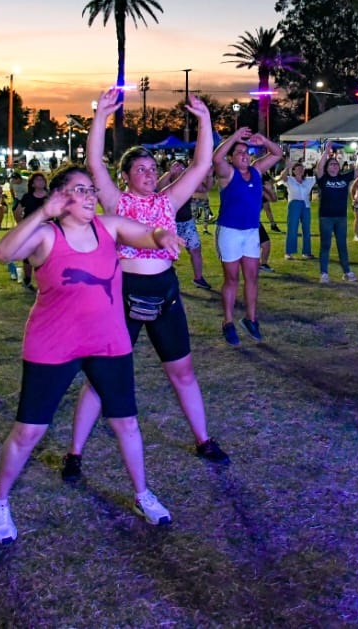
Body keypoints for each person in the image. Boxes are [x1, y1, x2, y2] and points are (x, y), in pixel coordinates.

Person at [0, 165, 182, 543]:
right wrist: (42, 213)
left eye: (92, 190)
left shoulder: (108, 227)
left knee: (126, 423)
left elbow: (147, 233)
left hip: (108, 341)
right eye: (81, 190)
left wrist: (163, 235)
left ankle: (142, 494)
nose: (91, 196)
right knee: (29, 431)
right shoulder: (46, 235)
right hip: (53, 345)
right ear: (61, 197)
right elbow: (3, 252)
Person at [70, 89, 231, 468]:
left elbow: (200, 164)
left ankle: (204, 439)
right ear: (125, 176)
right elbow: (94, 162)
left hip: (165, 293)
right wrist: (101, 116)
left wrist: (205, 119)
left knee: (182, 372)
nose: (149, 173)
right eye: (140, 169)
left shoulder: (167, 202)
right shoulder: (117, 202)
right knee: (101, 377)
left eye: (151, 168)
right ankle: (74, 453)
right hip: (123, 296)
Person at [213, 126, 284, 344]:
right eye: (239, 153)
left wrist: (264, 141)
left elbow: (278, 153)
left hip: (251, 232)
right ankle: (228, 322)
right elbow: (216, 158)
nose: (244, 155)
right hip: (230, 232)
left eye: (246, 152)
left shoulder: (256, 170)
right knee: (232, 278)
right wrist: (234, 136)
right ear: (232, 158)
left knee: (252, 277)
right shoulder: (227, 173)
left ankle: (251, 319)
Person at [315, 141, 358, 283]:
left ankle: (347, 271)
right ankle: (324, 273)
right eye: (331, 164)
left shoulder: (343, 177)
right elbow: (319, 167)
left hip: (341, 217)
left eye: (336, 164)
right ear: (327, 167)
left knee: (342, 245)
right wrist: (326, 152)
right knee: (325, 245)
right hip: (326, 217)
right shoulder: (323, 178)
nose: (334, 166)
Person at [160, 159, 212, 289]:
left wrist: (210, 176)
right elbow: (158, 187)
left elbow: (205, 189)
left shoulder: (187, 182)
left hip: (187, 222)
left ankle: (198, 278)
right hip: (170, 224)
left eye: (182, 167)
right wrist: (169, 173)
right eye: (176, 166)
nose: (180, 169)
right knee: (169, 253)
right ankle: (167, 279)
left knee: (195, 249)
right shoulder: (167, 180)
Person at [11, 171, 50, 291]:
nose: (40, 182)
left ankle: (46, 281)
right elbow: (17, 211)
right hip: (31, 231)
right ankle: (27, 280)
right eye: (37, 180)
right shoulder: (27, 197)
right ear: (32, 184)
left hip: (47, 230)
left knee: (47, 256)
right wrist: (21, 224)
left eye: (42, 180)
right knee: (29, 256)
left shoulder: (50, 196)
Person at [283, 161, 316, 259]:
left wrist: (318, 165)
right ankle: (289, 252)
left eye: (302, 169)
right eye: (298, 169)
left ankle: (306, 252)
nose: (300, 170)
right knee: (292, 228)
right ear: (293, 171)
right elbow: (282, 177)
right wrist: (287, 168)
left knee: (307, 229)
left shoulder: (308, 180)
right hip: (294, 204)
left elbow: (318, 175)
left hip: (306, 205)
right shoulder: (290, 180)